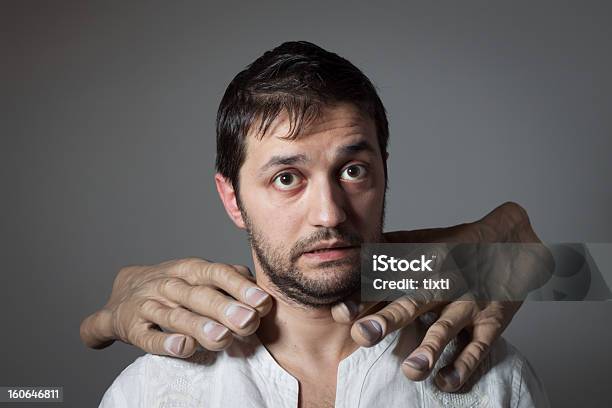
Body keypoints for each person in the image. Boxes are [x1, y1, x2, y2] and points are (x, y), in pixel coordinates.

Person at [98, 41, 549, 407]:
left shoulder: (495, 382)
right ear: (232, 199)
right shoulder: (149, 394)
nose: (330, 214)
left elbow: (572, 268)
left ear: (384, 173)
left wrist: (527, 244)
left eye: (353, 170)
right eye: (286, 178)